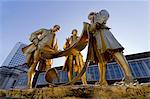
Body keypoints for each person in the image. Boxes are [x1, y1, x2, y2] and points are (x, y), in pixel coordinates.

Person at [87, 10, 134, 86]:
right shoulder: (90, 24)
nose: (90, 18)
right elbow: (90, 31)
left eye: (91, 16)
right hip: (96, 39)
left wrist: (96, 24)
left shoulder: (100, 13)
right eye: (89, 18)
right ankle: (102, 80)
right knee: (101, 60)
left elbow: (105, 15)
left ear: (94, 14)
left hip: (104, 34)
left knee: (115, 51)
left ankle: (129, 76)